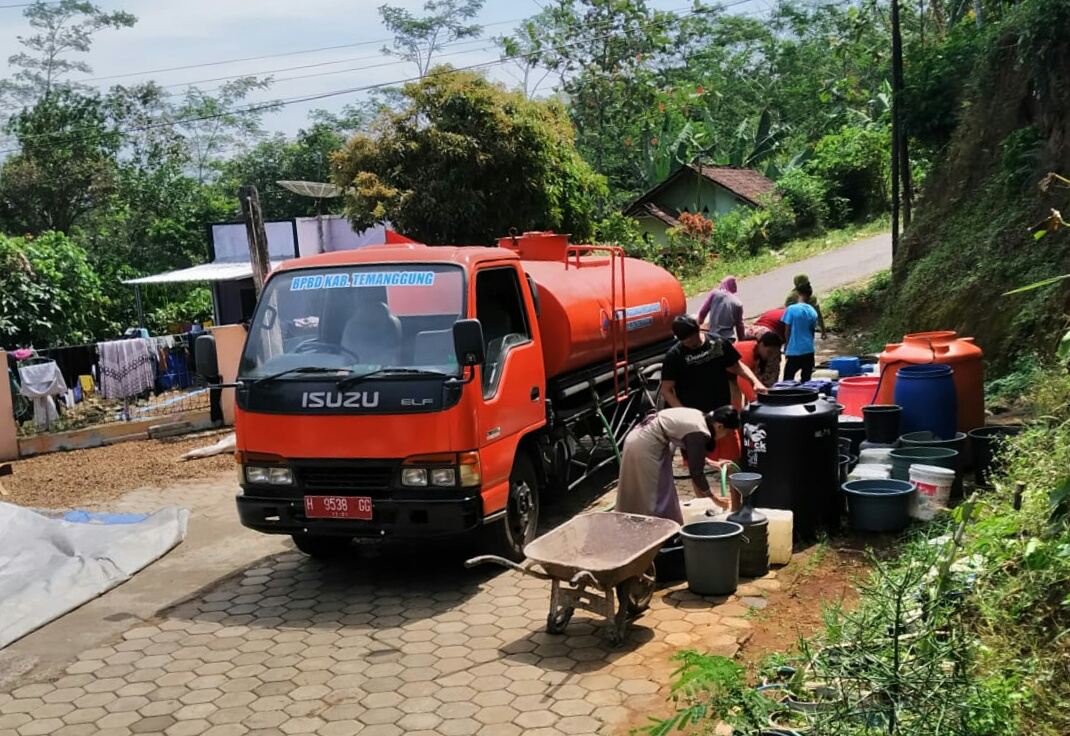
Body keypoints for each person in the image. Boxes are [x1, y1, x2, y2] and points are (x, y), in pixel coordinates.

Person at [616, 406, 741, 522]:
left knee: (641, 490)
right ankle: (657, 532)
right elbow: (696, 472)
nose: (725, 436)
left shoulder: (700, 418)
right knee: (655, 493)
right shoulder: (699, 431)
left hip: (638, 439)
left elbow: (691, 452)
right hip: (645, 447)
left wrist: (711, 463)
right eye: (727, 433)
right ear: (719, 426)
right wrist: (713, 498)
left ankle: (634, 524)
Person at [661, 315, 767, 414]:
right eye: (687, 343)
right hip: (696, 416)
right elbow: (666, 390)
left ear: (698, 329)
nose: (692, 344)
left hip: (722, 412)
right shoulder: (674, 356)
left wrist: (755, 381)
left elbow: (736, 366)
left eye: (694, 339)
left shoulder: (717, 343)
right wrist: (685, 413)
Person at [734, 332, 784, 405]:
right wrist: (753, 400)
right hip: (724, 371)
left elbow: (750, 378)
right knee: (734, 401)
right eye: (769, 352)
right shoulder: (748, 351)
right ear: (761, 345)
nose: (768, 356)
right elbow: (742, 378)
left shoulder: (757, 355)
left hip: (733, 372)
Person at [783, 285, 820, 382]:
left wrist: (787, 346)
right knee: (807, 381)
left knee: (787, 380)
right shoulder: (812, 311)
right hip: (809, 350)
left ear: (797, 294)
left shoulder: (791, 309)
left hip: (795, 350)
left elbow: (787, 330)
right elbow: (812, 332)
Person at [697, 276, 745, 342]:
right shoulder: (738, 303)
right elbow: (740, 326)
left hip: (714, 336)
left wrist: (699, 323)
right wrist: (742, 341)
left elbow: (703, 311)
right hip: (729, 339)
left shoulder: (714, 293)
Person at [785, 273, 827, 339]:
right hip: (808, 327)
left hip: (795, 328)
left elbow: (786, 317)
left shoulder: (791, 297)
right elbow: (818, 314)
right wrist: (823, 330)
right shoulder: (811, 296)